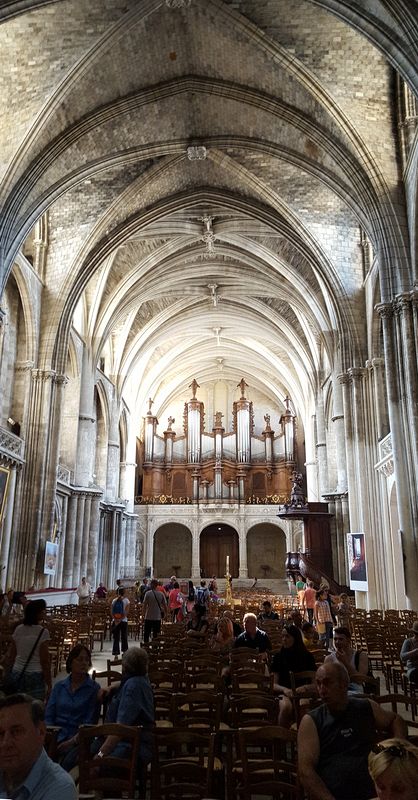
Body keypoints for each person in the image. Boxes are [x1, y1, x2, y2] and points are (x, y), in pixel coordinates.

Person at [298, 661, 407, 800]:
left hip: (375, 790)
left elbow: (396, 720)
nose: (322, 690)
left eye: (327, 683)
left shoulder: (365, 706)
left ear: (344, 684)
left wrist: (398, 748)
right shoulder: (312, 720)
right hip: (335, 793)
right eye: (318, 684)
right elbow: (306, 772)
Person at [0, 693, 77, 799]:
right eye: (0, 734)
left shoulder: (60, 787)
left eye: (16, 731)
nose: (5, 743)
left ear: (41, 732)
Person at [45, 644, 101, 771]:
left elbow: (90, 722)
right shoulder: (60, 687)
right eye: (80, 659)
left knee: (68, 762)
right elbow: (49, 715)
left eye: (87, 660)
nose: (84, 663)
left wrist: (71, 741)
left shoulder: (93, 689)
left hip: (78, 738)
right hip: (55, 734)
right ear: (71, 662)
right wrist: (51, 738)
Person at [97, 647, 154, 769]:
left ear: (124, 667)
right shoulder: (140, 679)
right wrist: (112, 687)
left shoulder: (133, 687)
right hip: (126, 740)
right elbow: (124, 683)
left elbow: (120, 730)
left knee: (99, 764)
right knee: (84, 750)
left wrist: (100, 755)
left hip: (132, 745)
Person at [3, 598, 51, 701]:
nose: (44, 613)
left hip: (17, 672)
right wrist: (49, 684)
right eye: (43, 611)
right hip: (35, 675)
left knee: (17, 706)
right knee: (34, 709)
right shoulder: (43, 632)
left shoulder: (19, 629)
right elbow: (45, 661)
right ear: (37, 614)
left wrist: (7, 674)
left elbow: (12, 656)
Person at [271, 624, 317, 727]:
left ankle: (302, 735)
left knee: (304, 707)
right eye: (282, 636)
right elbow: (273, 684)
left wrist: (304, 688)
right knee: (286, 707)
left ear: (295, 638)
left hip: (302, 692)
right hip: (284, 693)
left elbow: (315, 683)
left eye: (287, 636)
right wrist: (285, 690)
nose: (284, 639)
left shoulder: (307, 657)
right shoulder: (278, 657)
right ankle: (283, 737)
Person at [325, 626, 370, 693]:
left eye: (341, 639)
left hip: (356, 691)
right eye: (335, 639)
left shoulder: (361, 656)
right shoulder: (329, 658)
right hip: (337, 691)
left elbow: (360, 680)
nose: (337, 642)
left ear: (348, 640)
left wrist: (345, 662)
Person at [142, 578, 167, 643]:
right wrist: (166, 614)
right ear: (157, 585)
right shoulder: (161, 594)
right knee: (156, 634)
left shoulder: (147, 594)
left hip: (148, 616)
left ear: (151, 585)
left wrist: (142, 615)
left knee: (146, 634)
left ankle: (146, 647)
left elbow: (144, 606)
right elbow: (165, 606)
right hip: (157, 617)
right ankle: (155, 649)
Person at [111, 587, 129, 657]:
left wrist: (116, 620)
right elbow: (126, 612)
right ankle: (124, 652)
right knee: (124, 637)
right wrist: (121, 619)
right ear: (124, 593)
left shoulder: (114, 600)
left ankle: (115, 653)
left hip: (115, 621)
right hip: (124, 621)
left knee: (116, 637)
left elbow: (112, 611)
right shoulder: (126, 601)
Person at [400, 621, 418, 685]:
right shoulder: (408, 641)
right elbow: (402, 657)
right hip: (413, 668)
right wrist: (415, 651)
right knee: (414, 674)